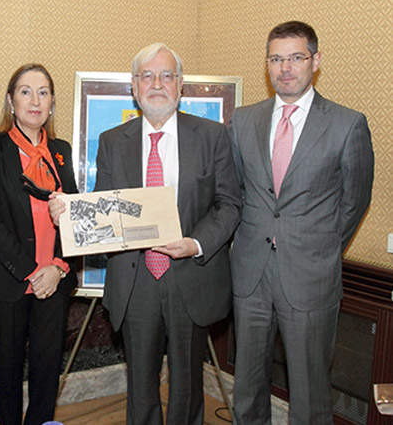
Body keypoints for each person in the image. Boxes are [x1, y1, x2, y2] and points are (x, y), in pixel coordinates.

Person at [51, 42, 241, 425]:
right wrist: (69, 214)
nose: (157, 84)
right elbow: (104, 213)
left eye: (166, 75)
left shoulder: (212, 136)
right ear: (134, 87)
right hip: (135, 281)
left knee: (188, 385)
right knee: (140, 385)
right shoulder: (111, 141)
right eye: (147, 76)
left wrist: (195, 243)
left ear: (181, 85)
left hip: (191, 276)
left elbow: (229, 204)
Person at [229, 21, 374, 425]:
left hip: (310, 276)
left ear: (316, 61)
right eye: (276, 58)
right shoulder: (243, 121)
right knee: (247, 390)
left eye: (296, 57)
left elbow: (354, 202)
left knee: (309, 397)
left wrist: (319, 247)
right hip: (251, 276)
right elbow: (237, 193)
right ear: (267, 64)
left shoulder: (347, 125)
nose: (285, 68)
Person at [0, 64, 78, 425]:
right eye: (26, 91)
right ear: (11, 101)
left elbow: (78, 220)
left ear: (52, 102)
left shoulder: (61, 152)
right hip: (10, 282)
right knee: (8, 373)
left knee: (47, 372)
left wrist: (58, 268)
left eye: (44, 91)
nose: (35, 100)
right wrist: (34, 273)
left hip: (55, 281)